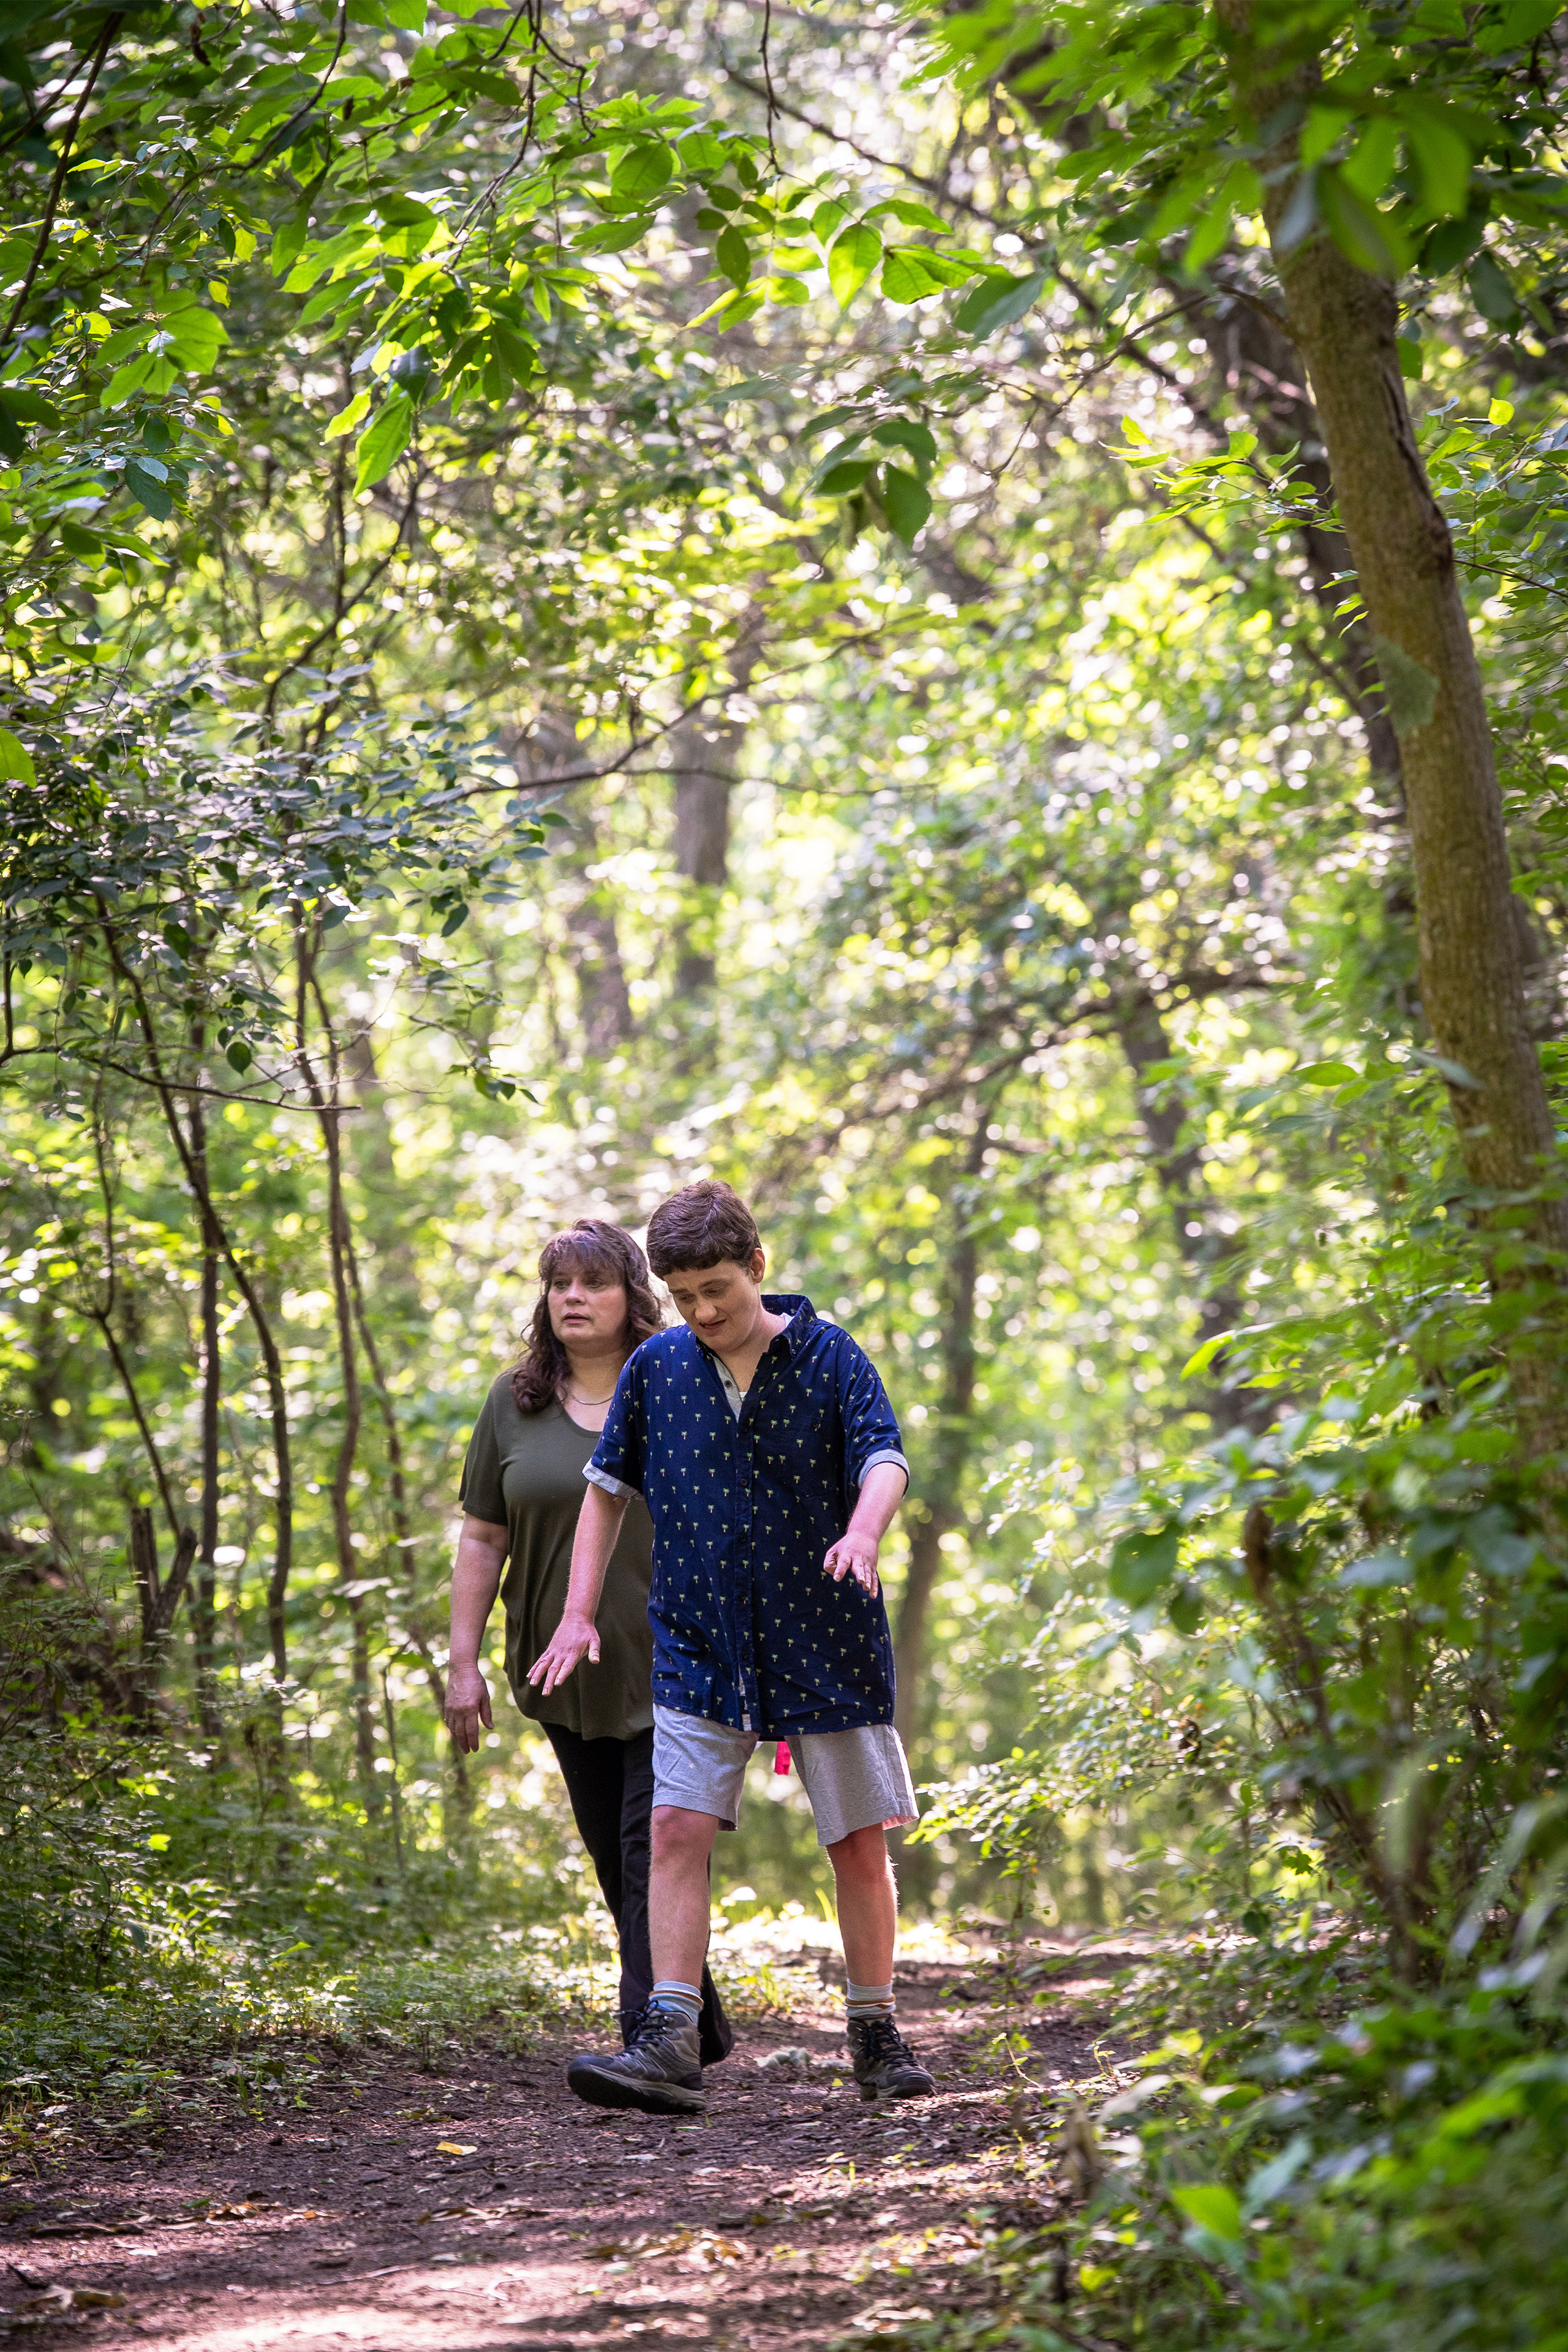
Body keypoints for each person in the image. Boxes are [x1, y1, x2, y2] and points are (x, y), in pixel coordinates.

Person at [529, 1178, 935, 2117]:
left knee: (857, 1840)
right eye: (684, 1295)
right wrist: (579, 1612)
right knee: (674, 1828)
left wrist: (865, 1533)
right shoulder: (657, 1369)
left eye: (719, 1288)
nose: (705, 1311)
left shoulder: (832, 1358)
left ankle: (875, 2029)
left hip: (825, 1632)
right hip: (700, 1640)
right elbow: (604, 1489)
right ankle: (668, 2036)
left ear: (756, 1266)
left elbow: (884, 1455)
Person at [445, 1217, 732, 2067]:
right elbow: (482, 1539)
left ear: (630, 1297)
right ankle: (695, 2021)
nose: (573, 1297)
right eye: (559, 1283)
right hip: (560, 1669)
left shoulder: (684, 1383)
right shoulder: (514, 1401)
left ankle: (651, 2042)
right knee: (616, 1852)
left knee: (653, 1846)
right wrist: (460, 1664)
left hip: (674, 1661)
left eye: (594, 1283)